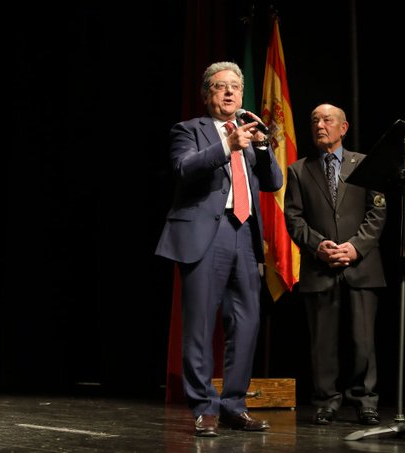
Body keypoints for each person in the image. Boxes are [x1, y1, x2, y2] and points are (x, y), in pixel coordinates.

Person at [155, 61, 283, 437]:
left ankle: (234, 406)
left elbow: (273, 182)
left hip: (244, 234)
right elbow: (184, 168)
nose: (229, 92)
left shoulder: (250, 133)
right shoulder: (188, 130)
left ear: (242, 95)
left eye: (235, 87)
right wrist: (227, 144)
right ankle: (204, 408)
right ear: (207, 94)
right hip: (204, 235)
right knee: (198, 325)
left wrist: (261, 144)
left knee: (246, 323)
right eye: (220, 86)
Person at [284, 103, 387, 426]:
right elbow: (293, 217)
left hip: (361, 266)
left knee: (363, 340)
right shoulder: (299, 169)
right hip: (320, 267)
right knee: (323, 343)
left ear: (343, 128)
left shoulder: (367, 165)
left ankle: (365, 400)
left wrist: (355, 248)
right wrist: (319, 246)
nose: (319, 125)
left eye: (327, 120)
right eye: (314, 120)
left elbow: (377, 211)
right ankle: (326, 400)